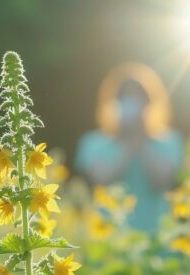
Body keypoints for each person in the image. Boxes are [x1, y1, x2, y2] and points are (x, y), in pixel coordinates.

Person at [75, 63, 183, 232]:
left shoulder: (169, 141)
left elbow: (162, 180)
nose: (133, 103)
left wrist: (140, 139)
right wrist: (127, 141)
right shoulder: (93, 143)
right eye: (125, 96)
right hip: (110, 237)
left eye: (139, 97)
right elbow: (102, 180)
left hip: (156, 236)